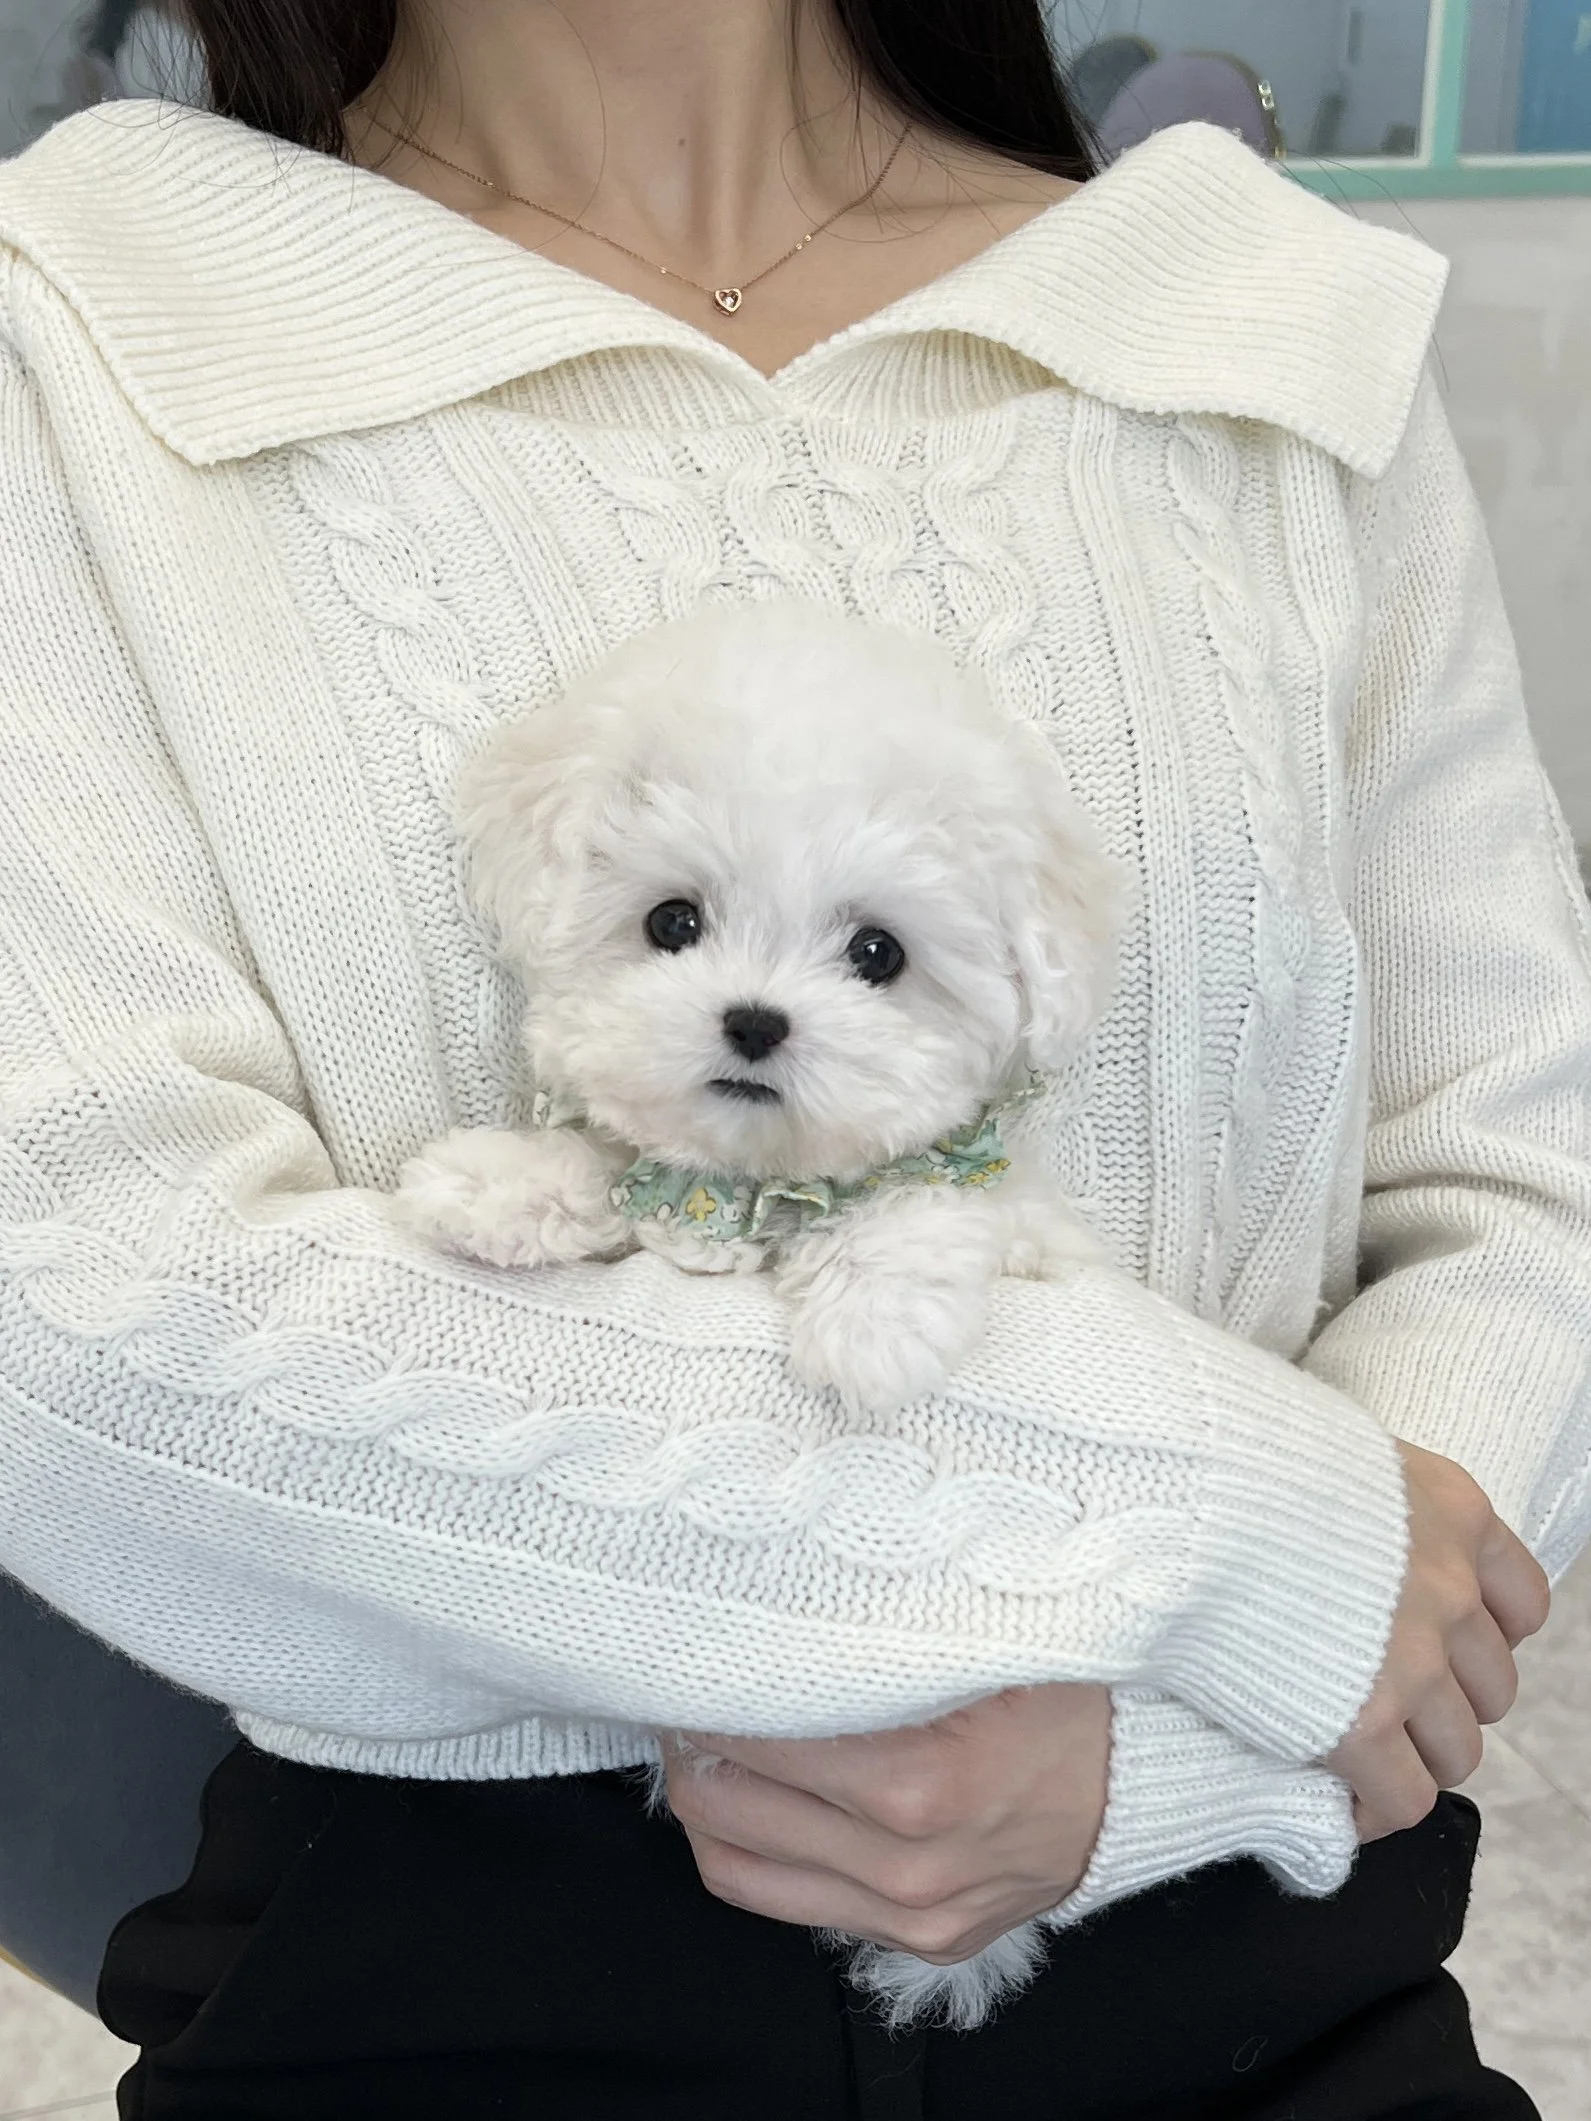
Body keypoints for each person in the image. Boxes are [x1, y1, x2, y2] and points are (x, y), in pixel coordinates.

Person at [0, 1, 1584, 2114]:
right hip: (440, 1989)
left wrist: (1189, 1758)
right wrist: (1246, 1536)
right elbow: (88, 1303)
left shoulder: (1263, 330)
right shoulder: (80, 336)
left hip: (1269, 1992)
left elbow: (1516, 1171)